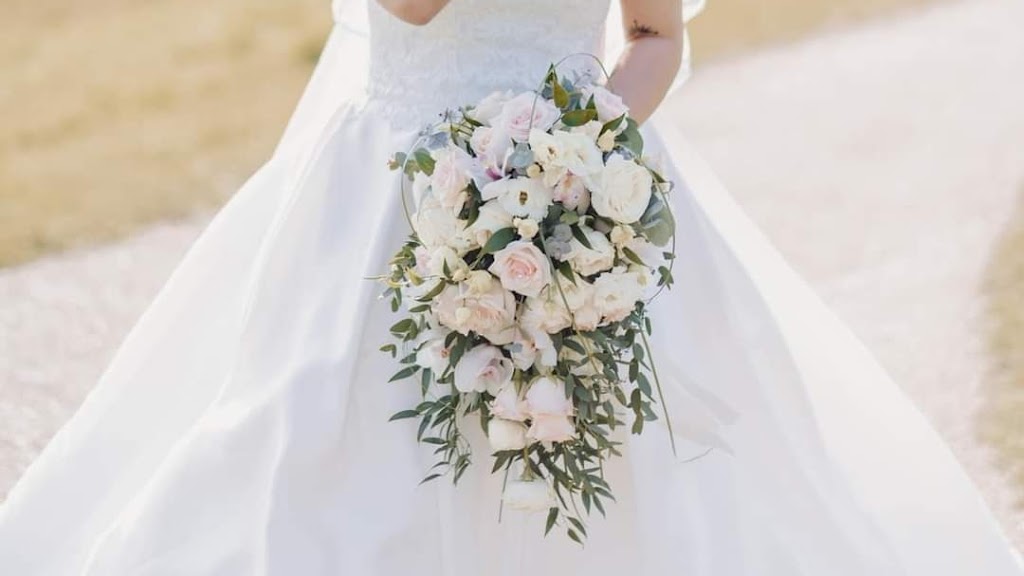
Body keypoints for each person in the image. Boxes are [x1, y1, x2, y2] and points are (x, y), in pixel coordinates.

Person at [1, 1, 1022, 574]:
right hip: (395, 187)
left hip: (577, 194)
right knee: (321, 429)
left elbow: (655, 37)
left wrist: (578, 151)